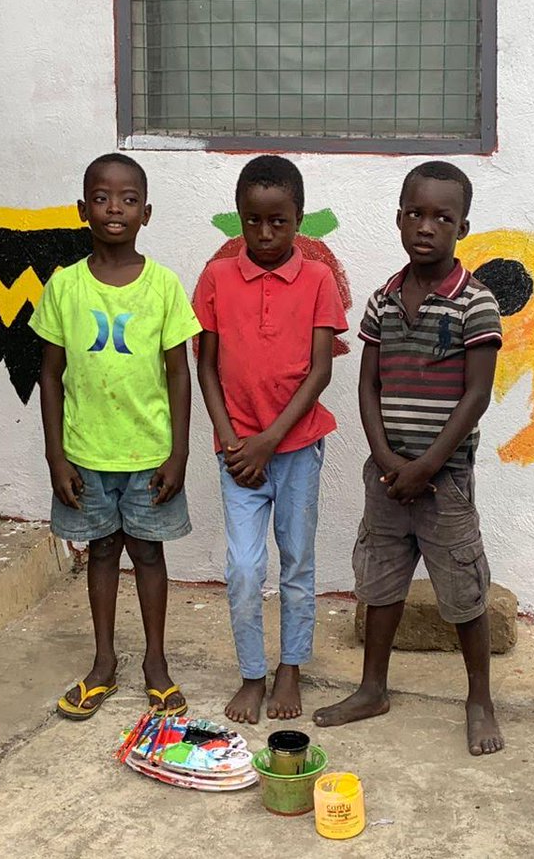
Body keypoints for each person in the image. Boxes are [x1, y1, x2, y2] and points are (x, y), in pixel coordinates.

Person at [312, 161, 505, 757]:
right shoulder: (381, 301)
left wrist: (425, 466)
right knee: (381, 581)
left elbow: (476, 395)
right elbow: (367, 386)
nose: (427, 226)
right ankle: (372, 688)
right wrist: (387, 458)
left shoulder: (475, 303)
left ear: (462, 227)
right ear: (399, 218)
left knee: (463, 591)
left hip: (443, 480)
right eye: (416, 213)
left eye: (443, 217)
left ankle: (479, 699)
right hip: (388, 477)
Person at [30, 153, 201, 721]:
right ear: (83, 210)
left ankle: (156, 663)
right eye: (102, 198)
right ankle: (103, 662)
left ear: (146, 212)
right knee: (101, 551)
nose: (114, 209)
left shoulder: (164, 287)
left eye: (128, 200)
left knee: (148, 555)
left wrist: (178, 454)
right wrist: (56, 454)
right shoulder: (64, 287)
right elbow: (49, 374)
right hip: (85, 452)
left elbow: (180, 373)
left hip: (149, 454)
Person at [195, 155, 347, 724]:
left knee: (297, 562)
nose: (264, 234)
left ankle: (292, 668)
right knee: (242, 566)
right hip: (236, 455)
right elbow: (207, 366)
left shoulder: (316, 279)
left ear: (298, 219)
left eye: (278, 222)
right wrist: (235, 440)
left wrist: (271, 440)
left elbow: (320, 371)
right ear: (239, 218)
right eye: (252, 221)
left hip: (297, 447)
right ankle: (252, 674)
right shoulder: (216, 278)